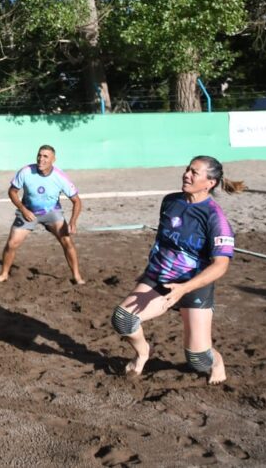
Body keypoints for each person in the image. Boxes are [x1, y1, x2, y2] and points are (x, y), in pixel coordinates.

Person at [110, 156, 241, 384]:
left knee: (198, 358)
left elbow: (221, 265)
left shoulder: (215, 218)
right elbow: (162, 241)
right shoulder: (171, 201)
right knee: (123, 319)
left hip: (193, 285)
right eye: (187, 169)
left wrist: (184, 288)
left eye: (194, 172)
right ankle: (142, 353)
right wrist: (147, 272)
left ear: (210, 182)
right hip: (159, 278)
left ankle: (217, 361)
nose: (186, 174)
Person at [0, 145, 85, 284]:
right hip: (28, 212)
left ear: (53, 159)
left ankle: (77, 276)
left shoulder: (60, 177)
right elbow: (12, 191)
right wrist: (23, 209)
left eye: (45, 156)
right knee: (12, 243)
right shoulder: (25, 172)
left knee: (67, 242)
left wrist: (73, 222)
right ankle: (4, 274)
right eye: (39, 155)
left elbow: (77, 201)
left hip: (52, 212)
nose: (41, 159)